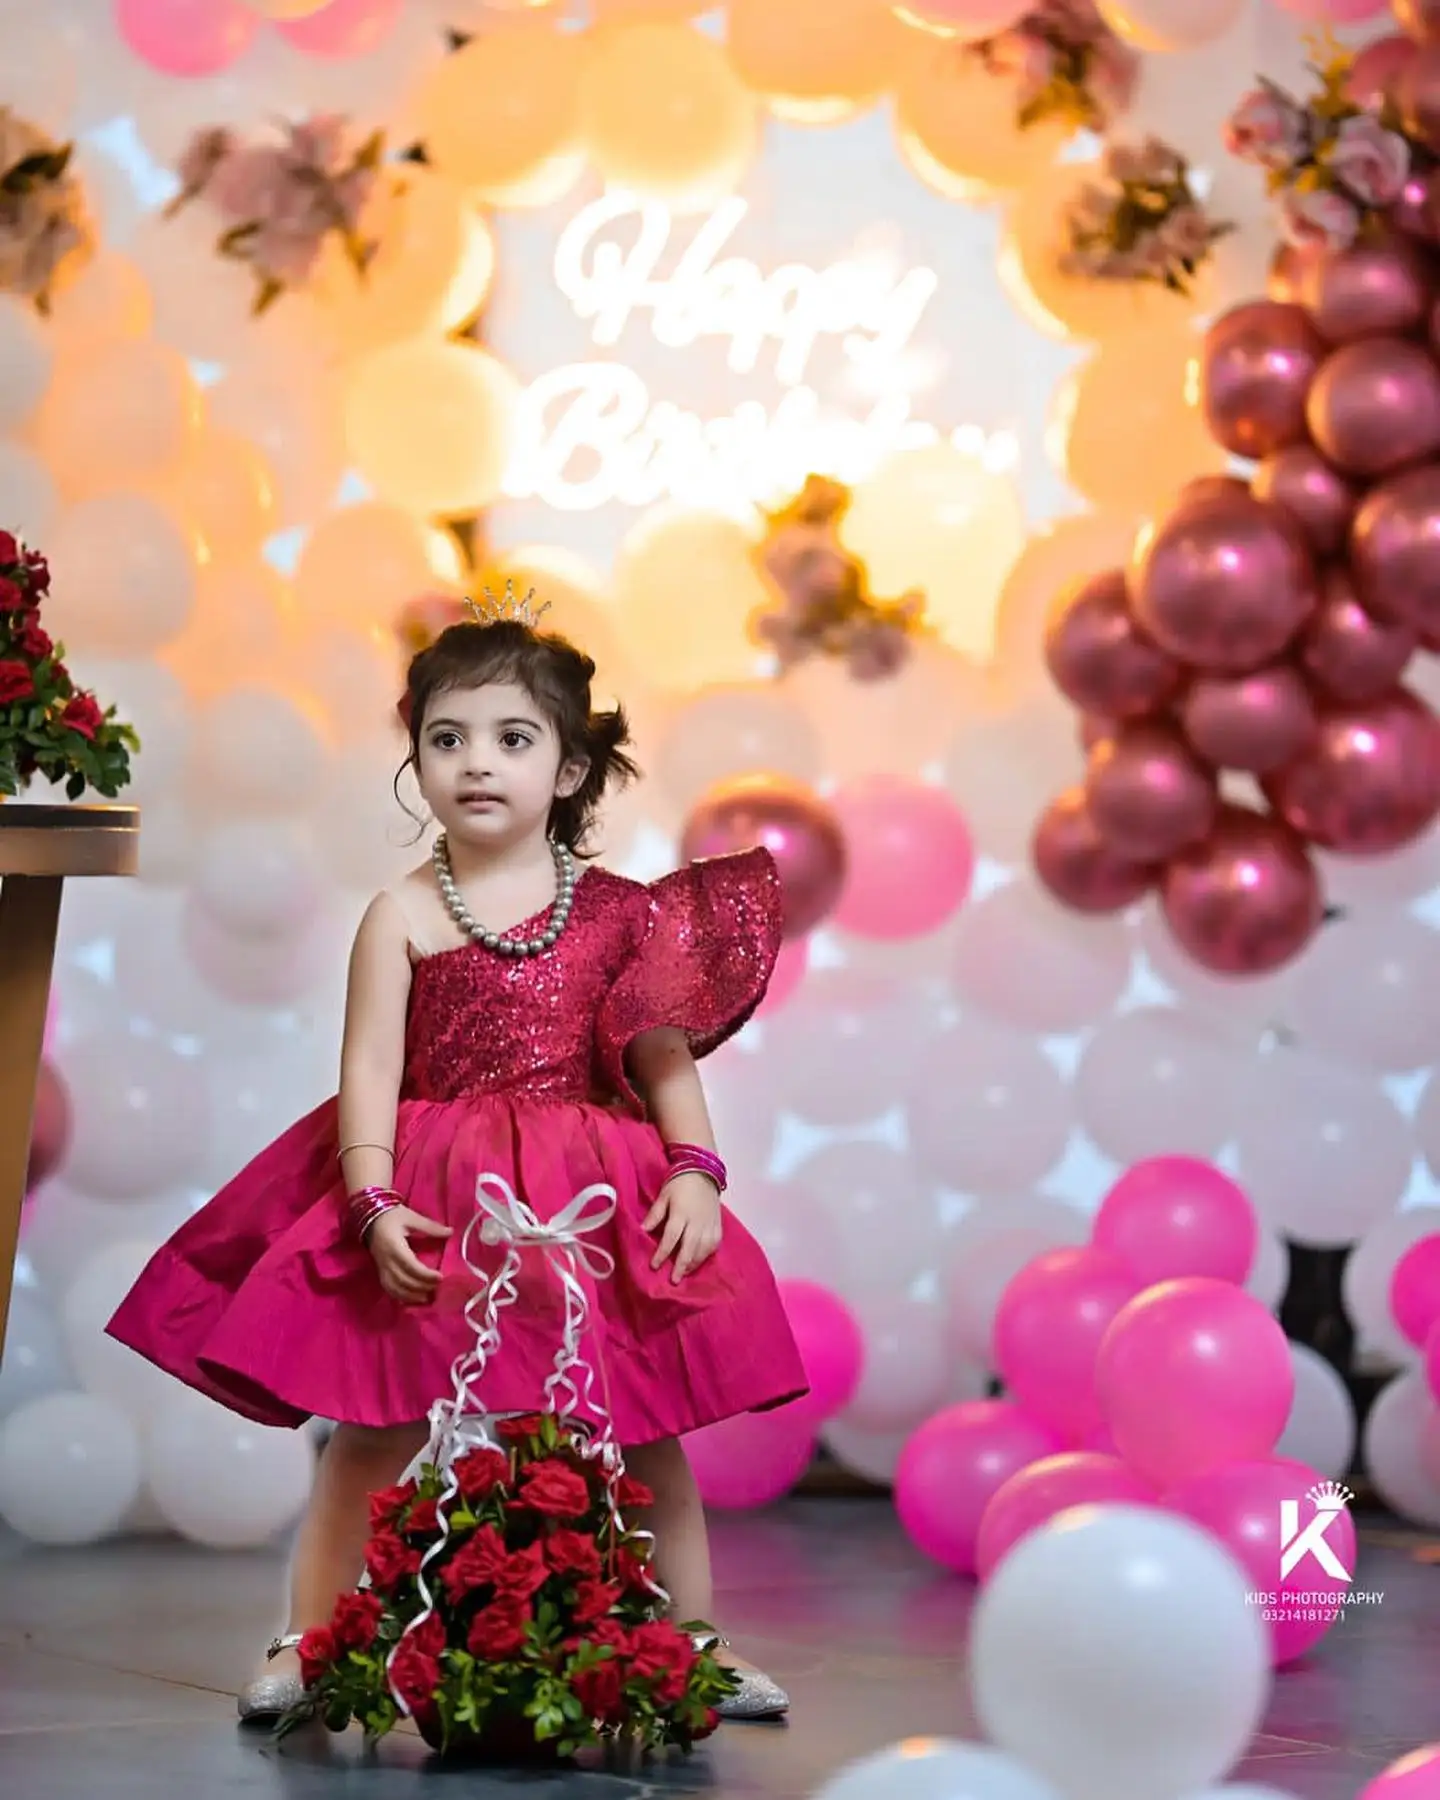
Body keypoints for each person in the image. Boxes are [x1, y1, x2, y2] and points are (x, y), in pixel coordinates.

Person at [106, 587, 808, 1727]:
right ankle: (312, 1636)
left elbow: (665, 1064)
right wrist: (372, 1198)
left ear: (571, 772)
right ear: (419, 762)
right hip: (439, 1195)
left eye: (513, 738)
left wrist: (694, 1171)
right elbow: (370, 1074)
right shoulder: (402, 914)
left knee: (643, 1428)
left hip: (589, 1195)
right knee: (371, 1428)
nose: (477, 762)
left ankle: (690, 1641)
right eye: (447, 738)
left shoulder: (625, 917)